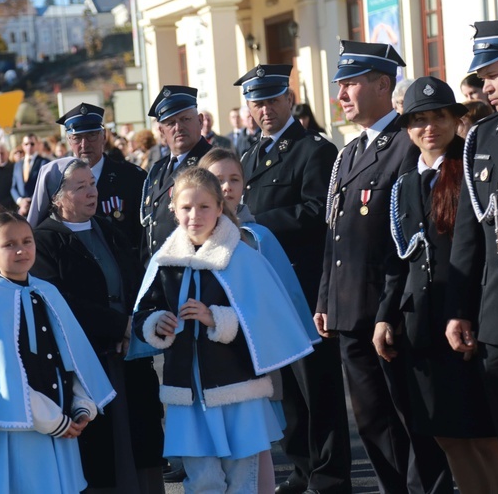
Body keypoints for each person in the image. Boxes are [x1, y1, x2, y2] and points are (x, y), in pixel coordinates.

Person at [316, 40, 452, 493]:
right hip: (350, 308)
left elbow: (407, 244)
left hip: (388, 313)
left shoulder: (404, 146)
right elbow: (336, 233)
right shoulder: (350, 153)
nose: (341, 95)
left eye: (350, 84)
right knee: (373, 422)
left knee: (410, 421)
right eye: (340, 85)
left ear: (382, 85)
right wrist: (325, 299)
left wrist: (388, 313)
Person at [133, 166, 318, 493]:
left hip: (238, 391)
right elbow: (144, 311)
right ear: (173, 209)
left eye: (204, 206)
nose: (195, 215)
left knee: (241, 482)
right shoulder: (164, 263)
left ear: (220, 207)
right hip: (187, 395)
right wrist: (154, 322)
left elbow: (266, 323)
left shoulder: (243, 258)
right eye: (186, 207)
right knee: (202, 481)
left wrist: (216, 318)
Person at [374, 76, 498, 494]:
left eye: (438, 117)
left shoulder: (471, 170)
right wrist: (384, 317)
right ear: (407, 128)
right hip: (421, 327)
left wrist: (465, 311)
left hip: (464, 322)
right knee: (445, 435)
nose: (429, 128)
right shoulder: (405, 184)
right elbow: (398, 260)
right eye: (418, 120)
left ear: (455, 119)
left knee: (485, 435)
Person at [234, 64, 350, 494]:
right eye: (256, 102)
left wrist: (256, 222)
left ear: (289, 99)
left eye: (271, 100)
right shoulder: (248, 156)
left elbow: (317, 211)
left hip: (303, 288)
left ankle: (332, 477)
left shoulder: (313, 150)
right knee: (288, 393)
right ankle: (302, 469)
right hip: (268, 291)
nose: (264, 110)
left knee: (317, 388)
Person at [28, 158, 165, 493]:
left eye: (92, 183)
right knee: (101, 456)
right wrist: (117, 326)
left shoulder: (108, 228)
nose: (92, 192)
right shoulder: (44, 241)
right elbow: (59, 301)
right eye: (81, 186)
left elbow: (137, 280)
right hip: (86, 361)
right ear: (57, 197)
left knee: (141, 443)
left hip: (128, 353)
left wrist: (133, 326)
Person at [0, 212, 115, 493]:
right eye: (9, 244)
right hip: (24, 426)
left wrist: (80, 403)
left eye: (27, 241)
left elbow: (70, 353)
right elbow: (5, 376)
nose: (21, 250)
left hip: (64, 419)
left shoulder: (46, 290)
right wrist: (49, 419)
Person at [199, 148, 319, 493]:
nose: (226, 187)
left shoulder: (258, 236)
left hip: (252, 358)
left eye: (234, 179)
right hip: (209, 361)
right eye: (217, 179)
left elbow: (283, 300)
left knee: (255, 450)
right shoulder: (186, 242)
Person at [445, 19, 498, 493]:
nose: (483, 87)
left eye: (493, 73)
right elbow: (470, 233)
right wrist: (459, 308)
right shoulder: (485, 136)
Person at [55, 103, 147, 252]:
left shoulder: (132, 177)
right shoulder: (57, 181)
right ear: (69, 140)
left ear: (103, 136)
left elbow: (144, 238)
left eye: (91, 135)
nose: (84, 144)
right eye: (77, 138)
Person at [141, 86, 212, 263]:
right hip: (160, 271)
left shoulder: (211, 163)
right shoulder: (157, 169)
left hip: (196, 267)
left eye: (185, 119)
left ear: (200, 120)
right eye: (170, 123)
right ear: (161, 131)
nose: (178, 127)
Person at [11, 134, 50, 217]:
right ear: (22, 146)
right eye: (26, 144)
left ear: (37, 145)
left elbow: (46, 185)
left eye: (32, 144)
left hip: (38, 209)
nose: (29, 146)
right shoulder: (17, 164)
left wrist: (30, 201)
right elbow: (13, 187)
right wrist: (20, 201)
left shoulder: (44, 162)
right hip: (21, 210)